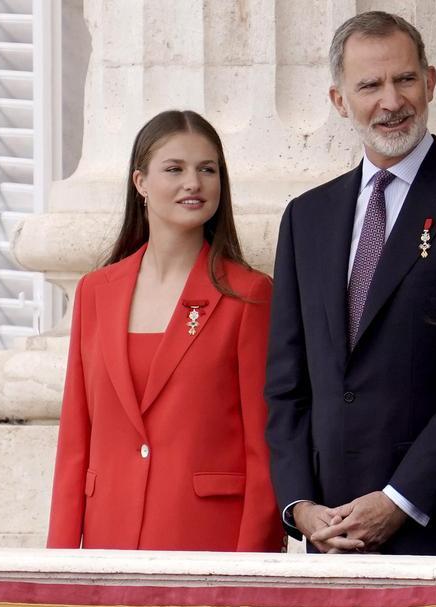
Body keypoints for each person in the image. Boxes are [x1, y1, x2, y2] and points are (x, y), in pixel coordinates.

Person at [265, 11, 436, 555]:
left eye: (405, 79)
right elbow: (287, 383)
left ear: (430, 81)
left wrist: (400, 499)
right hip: (331, 533)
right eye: (370, 85)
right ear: (339, 100)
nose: (392, 101)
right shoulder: (306, 217)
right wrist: (300, 506)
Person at [47, 110, 283, 551]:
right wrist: (58, 566)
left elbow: (263, 449)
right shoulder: (95, 292)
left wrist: (254, 570)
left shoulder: (248, 295)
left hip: (208, 546)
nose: (193, 183)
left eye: (207, 170)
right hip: (108, 543)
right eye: (174, 169)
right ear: (140, 182)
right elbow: (75, 442)